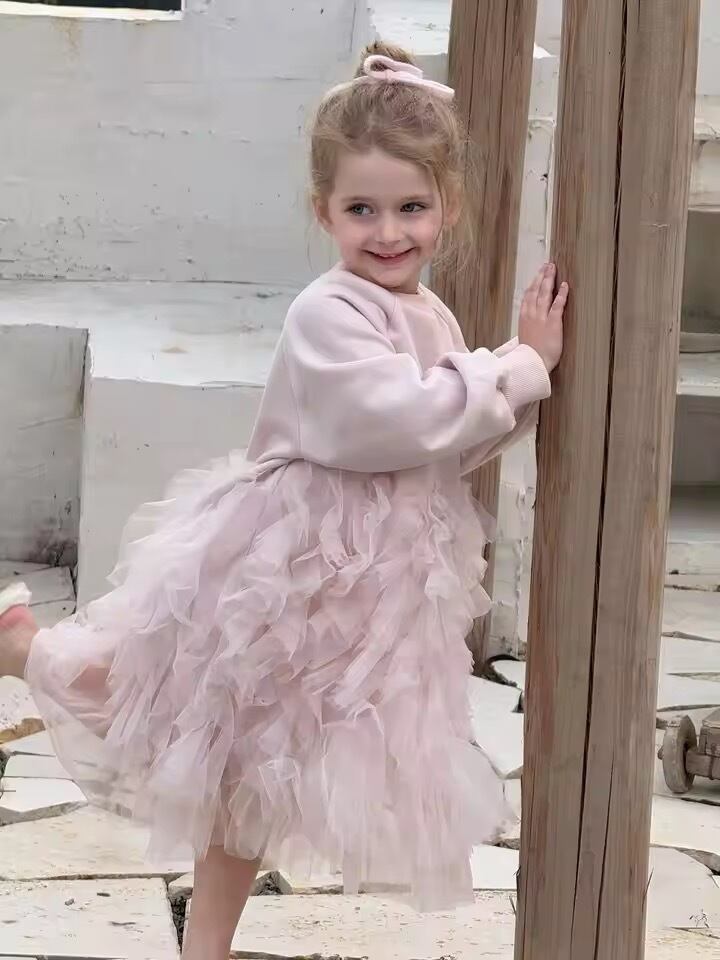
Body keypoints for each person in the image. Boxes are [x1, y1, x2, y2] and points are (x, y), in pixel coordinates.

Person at [0, 42, 566, 960]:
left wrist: (519, 374)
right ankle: (27, 649)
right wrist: (521, 364)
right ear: (323, 211)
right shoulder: (326, 311)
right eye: (362, 210)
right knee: (182, 715)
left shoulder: (428, 313)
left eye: (412, 208)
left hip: (373, 585)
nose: (389, 232)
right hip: (292, 561)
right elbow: (396, 419)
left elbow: (446, 439)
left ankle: (206, 943)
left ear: (448, 208)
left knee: (264, 767)